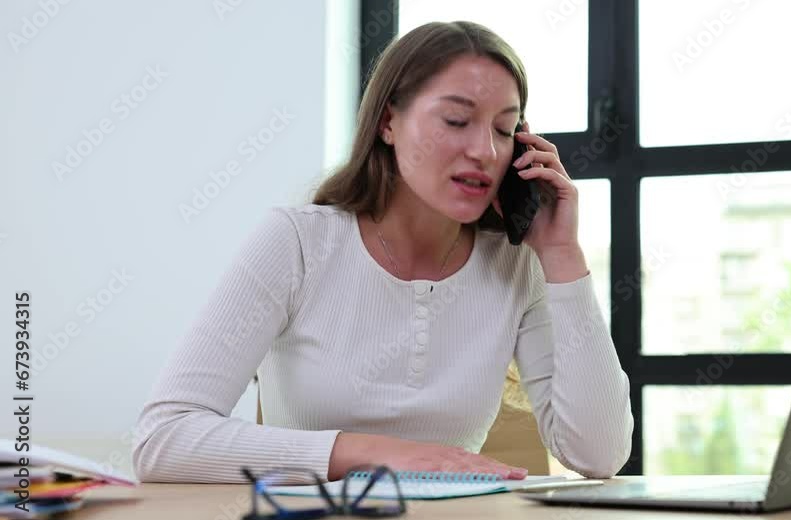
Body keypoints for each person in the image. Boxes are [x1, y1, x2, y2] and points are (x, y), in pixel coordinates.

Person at [131, 20, 633, 485]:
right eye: (457, 120)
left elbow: (599, 454)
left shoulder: (516, 264)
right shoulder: (298, 241)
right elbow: (163, 437)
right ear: (388, 123)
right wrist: (371, 451)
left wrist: (562, 252)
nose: (485, 150)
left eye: (505, 130)